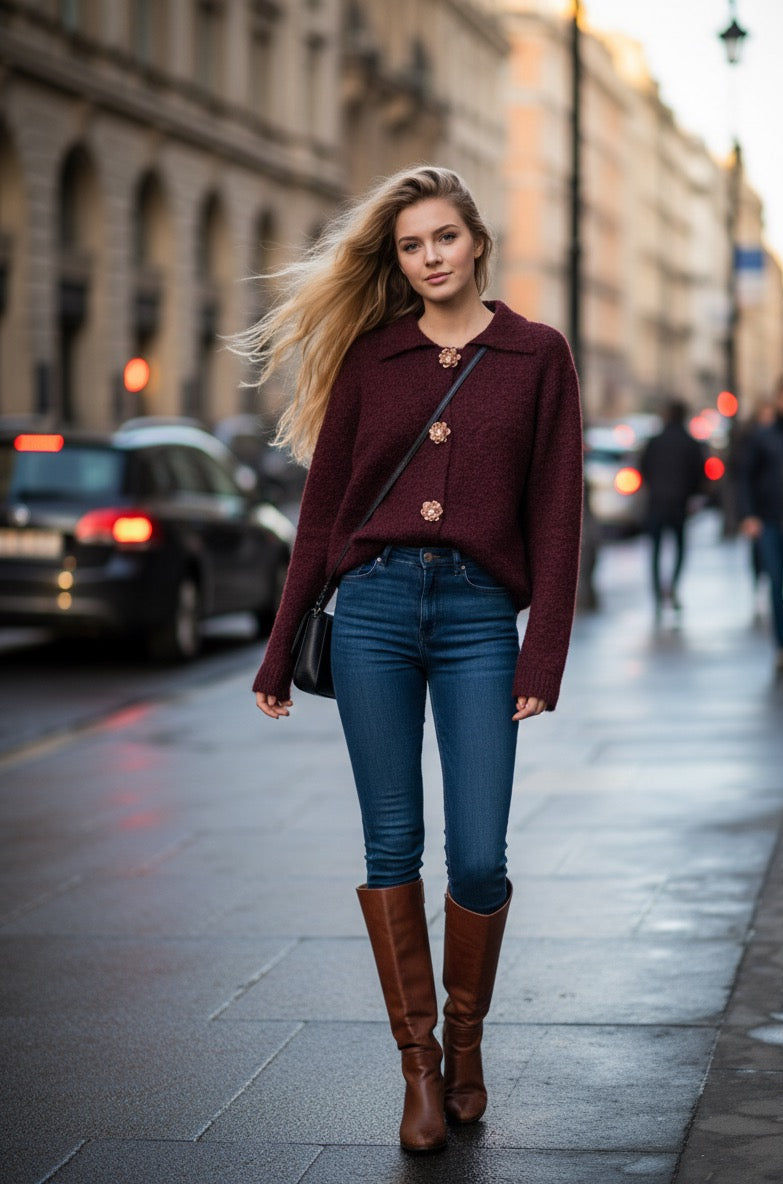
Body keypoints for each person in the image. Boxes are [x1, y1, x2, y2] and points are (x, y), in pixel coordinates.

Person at [237, 166, 583, 1153]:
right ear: (397, 260)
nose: (430, 258)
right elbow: (322, 516)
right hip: (377, 608)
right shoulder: (374, 358)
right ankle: (420, 1068)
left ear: (476, 240)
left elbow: (558, 515)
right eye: (410, 245)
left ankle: (468, 1037)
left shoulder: (535, 355)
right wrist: (277, 652)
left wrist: (541, 656)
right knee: (392, 845)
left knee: (479, 853)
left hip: (479, 617)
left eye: (444, 238)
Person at [639, 399, 705, 618]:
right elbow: (699, 475)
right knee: (679, 548)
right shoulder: (690, 443)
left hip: (657, 503)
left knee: (656, 551)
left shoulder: (654, 442)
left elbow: (643, 468)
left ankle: (658, 594)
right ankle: (672, 586)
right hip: (679, 504)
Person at [738, 377, 783, 674]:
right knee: (777, 584)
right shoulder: (763, 436)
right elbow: (744, 478)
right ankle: (781, 647)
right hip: (770, 522)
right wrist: (749, 515)